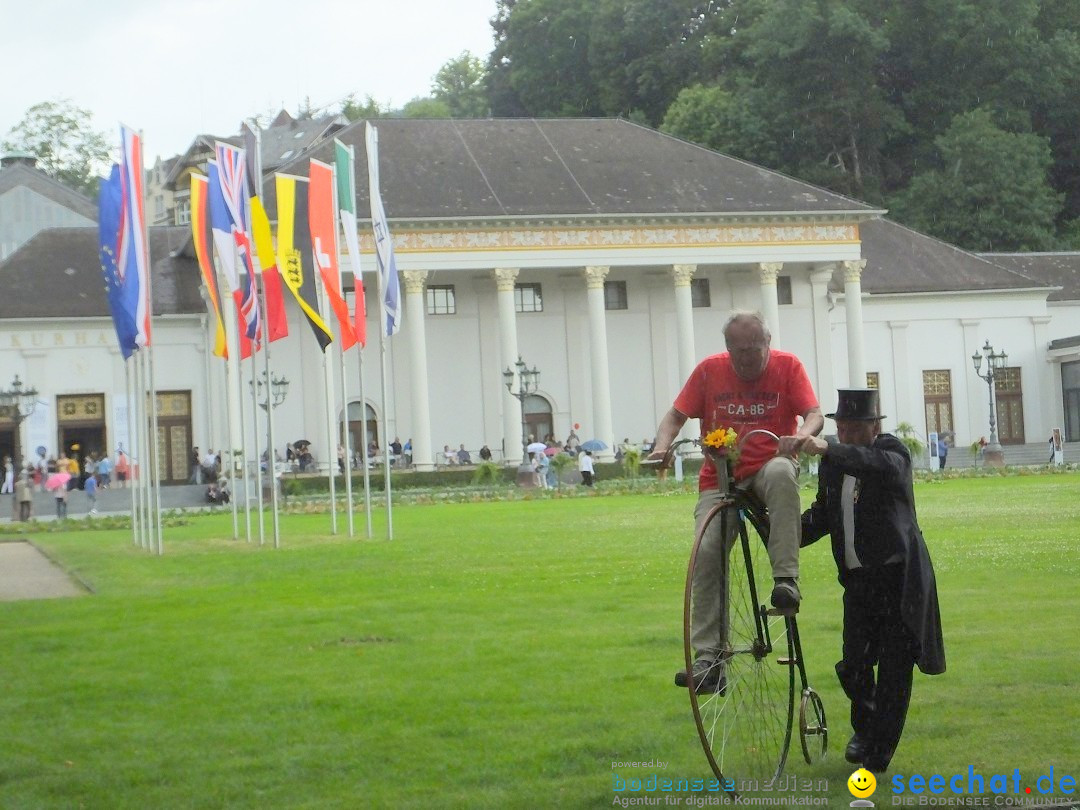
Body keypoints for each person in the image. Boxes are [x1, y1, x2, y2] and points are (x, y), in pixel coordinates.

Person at [648, 310, 823, 692]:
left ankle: (786, 581)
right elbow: (675, 416)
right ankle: (708, 658)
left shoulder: (788, 366)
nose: (747, 358)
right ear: (727, 348)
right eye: (739, 350)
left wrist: (801, 436)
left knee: (780, 473)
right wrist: (662, 446)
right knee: (707, 550)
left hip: (768, 465)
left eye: (755, 349)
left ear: (768, 343)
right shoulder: (709, 371)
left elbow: (813, 413)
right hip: (721, 475)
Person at [800, 388, 946, 773]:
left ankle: (878, 754)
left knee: (895, 670)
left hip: (898, 580)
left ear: (874, 427)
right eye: (841, 428)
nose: (845, 434)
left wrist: (830, 448)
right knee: (854, 664)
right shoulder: (834, 464)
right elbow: (822, 514)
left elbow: (881, 466)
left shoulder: (891, 452)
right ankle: (865, 730)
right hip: (859, 583)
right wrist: (780, 532)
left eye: (853, 428)